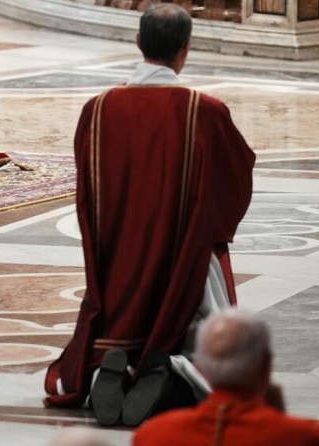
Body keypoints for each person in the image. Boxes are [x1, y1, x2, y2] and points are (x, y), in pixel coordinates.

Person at [43, 3, 255, 427]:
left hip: (116, 261)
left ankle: (114, 361)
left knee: (121, 296)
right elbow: (235, 180)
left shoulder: (98, 109)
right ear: (186, 49)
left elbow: (88, 196)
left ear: (138, 42)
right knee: (220, 345)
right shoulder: (205, 111)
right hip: (182, 264)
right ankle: (167, 367)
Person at [133, 309, 319, 445]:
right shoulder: (308, 436)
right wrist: (280, 419)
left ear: (199, 368)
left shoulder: (152, 435)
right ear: (267, 365)